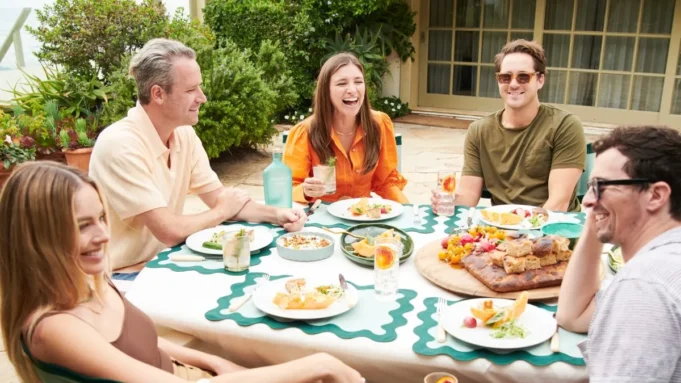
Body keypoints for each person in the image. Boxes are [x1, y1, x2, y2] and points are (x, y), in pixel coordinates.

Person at [0, 161, 364, 383]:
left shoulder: (85, 282)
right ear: (38, 238)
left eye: (100, 217)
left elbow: (143, 343)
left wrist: (214, 360)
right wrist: (316, 365)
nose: (103, 235)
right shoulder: (53, 329)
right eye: (82, 226)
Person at [89, 39, 306, 273]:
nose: (202, 97)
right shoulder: (120, 145)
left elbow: (219, 197)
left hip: (163, 265)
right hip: (120, 277)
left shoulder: (184, 134)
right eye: (191, 90)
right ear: (158, 94)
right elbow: (170, 231)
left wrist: (278, 214)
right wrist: (221, 212)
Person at [556, 126, 681, 381]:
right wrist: (599, 216)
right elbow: (573, 316)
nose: (587, 201)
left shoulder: (644, 287)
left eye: (601, 185)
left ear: (656, 195)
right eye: (590, 186)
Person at [431, 39, 586, 213]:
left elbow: (558, 204)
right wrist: (450, 199)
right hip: (503, 226)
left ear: (540, 80)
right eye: (505, 77)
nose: (513, 84)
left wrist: (521, 233)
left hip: (554, 230)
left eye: (523, 76)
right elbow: (469, 195)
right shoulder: (479, 131)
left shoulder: (565, 126)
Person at [283, 52, 408, 204]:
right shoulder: (305, 131)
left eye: (358, 82)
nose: (352, 90)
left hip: (362, 215)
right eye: (342, 83)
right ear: (326, 90)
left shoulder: (379, 124)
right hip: (320, 217)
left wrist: (407, 211)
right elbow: (287, 188)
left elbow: (386, 181)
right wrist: (305, 190)